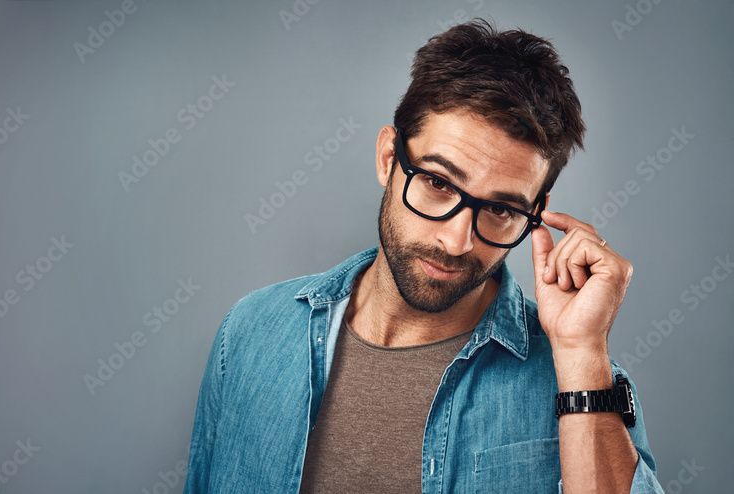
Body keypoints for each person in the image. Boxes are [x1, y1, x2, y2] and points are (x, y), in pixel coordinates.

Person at [183, 19, 662, 494]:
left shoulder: (585, 379)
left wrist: (580, 354)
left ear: (535, 215)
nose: (457, 242)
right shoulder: (250, 333)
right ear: (390, 158)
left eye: (499, 209)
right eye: (438, 183)